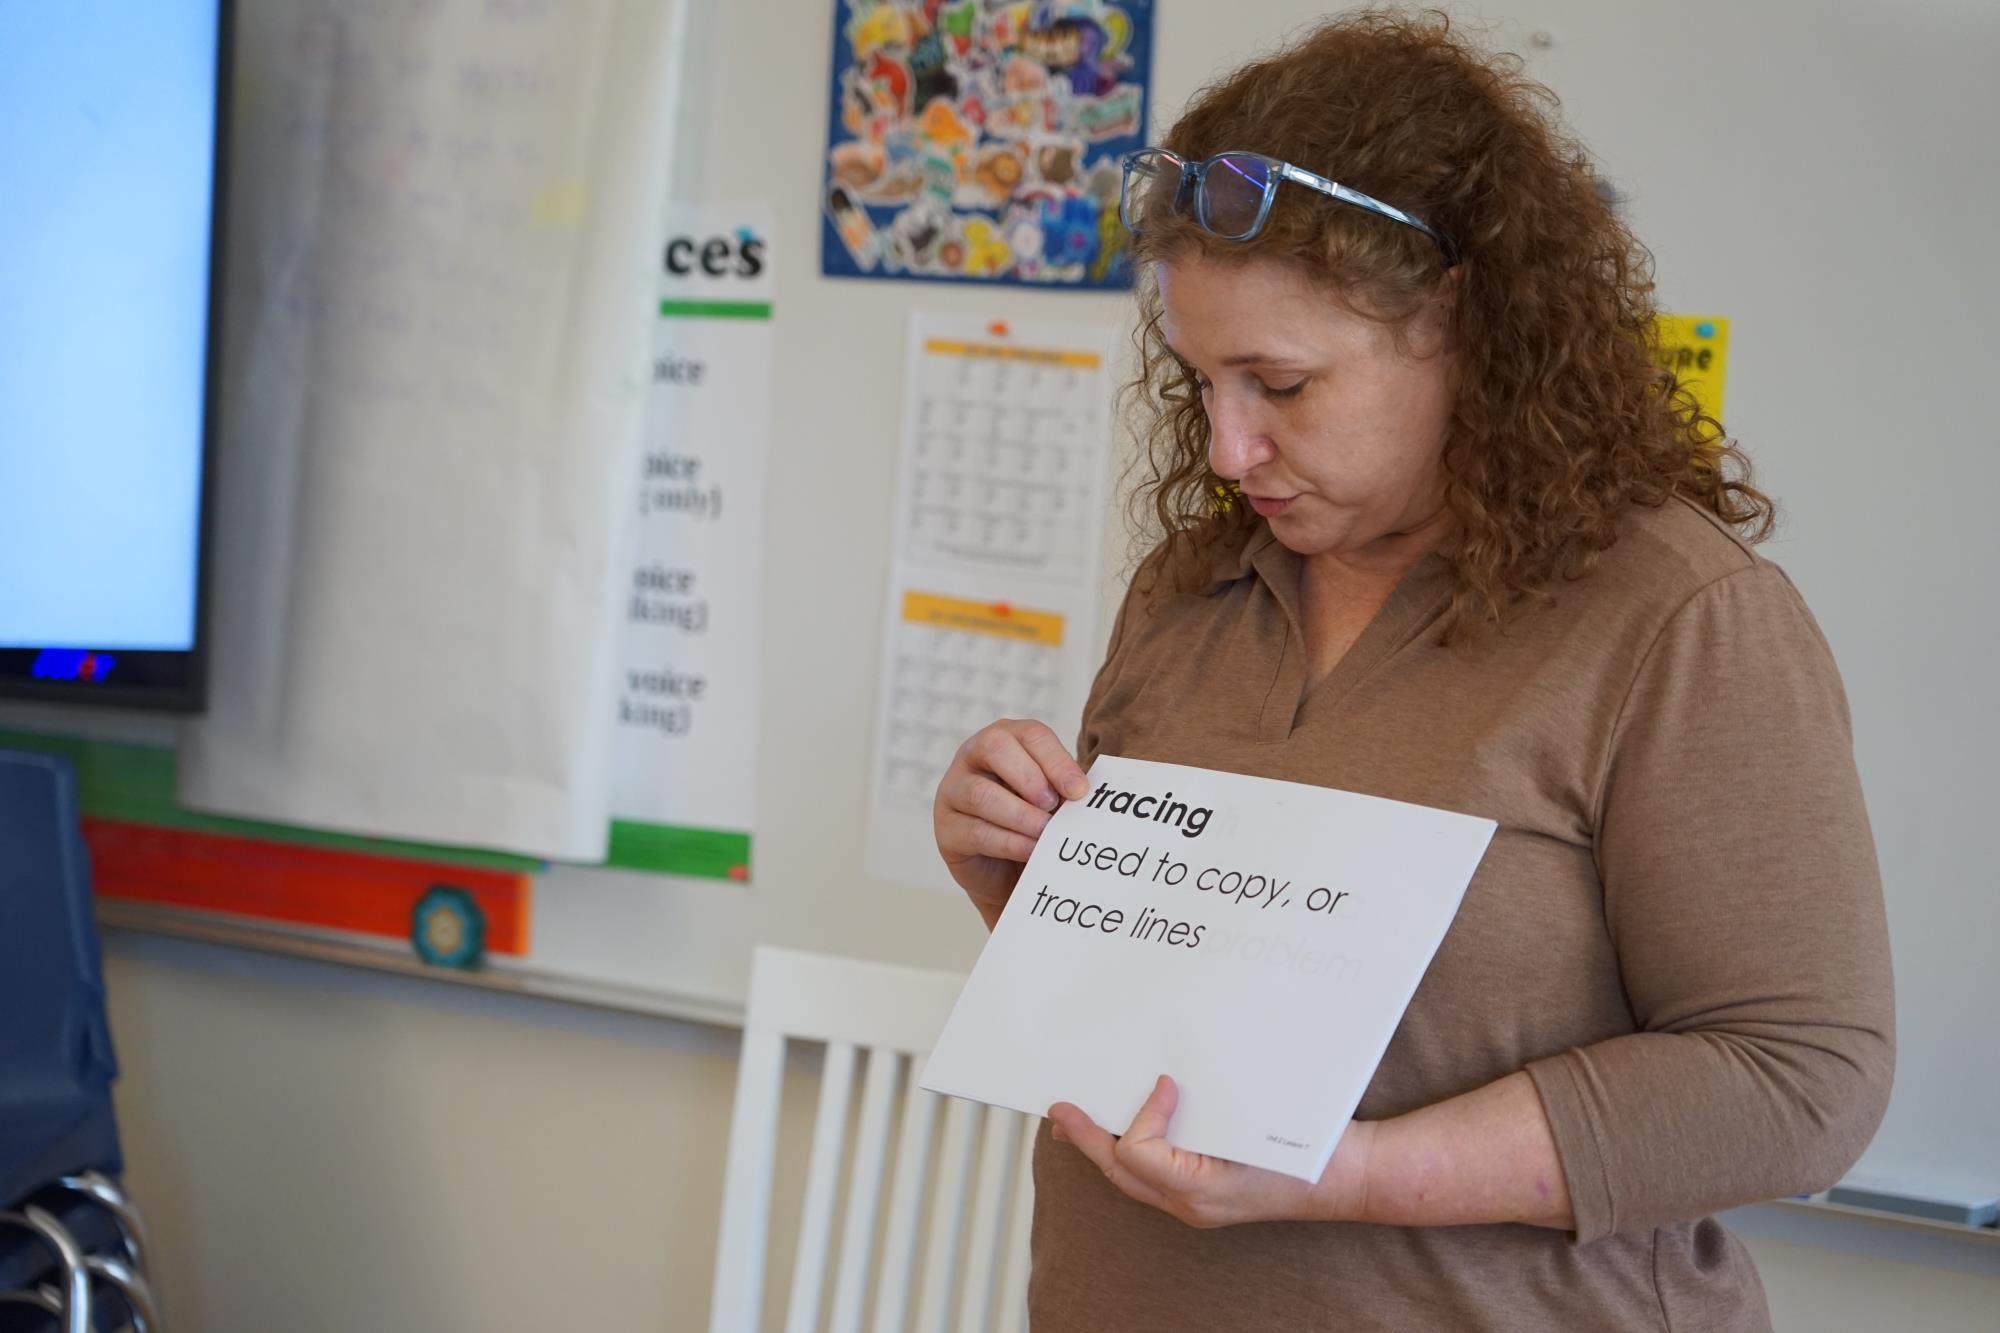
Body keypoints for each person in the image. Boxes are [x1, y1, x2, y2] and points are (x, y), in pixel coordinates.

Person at [930, 11, 1894, 1331]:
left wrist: (1363, 1175)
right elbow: (1196, 1010)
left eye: (1280, 382)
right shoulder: (1192, 588)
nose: (1226, 448)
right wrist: (1027, 889)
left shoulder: (1678, 620)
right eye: (1201, 378)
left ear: (1461, 324)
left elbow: (1798, 1080)